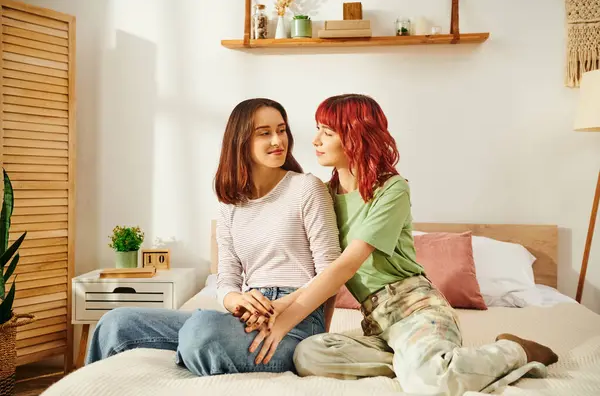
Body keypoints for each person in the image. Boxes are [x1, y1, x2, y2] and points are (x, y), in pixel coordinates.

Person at [242, 94, 559, 396]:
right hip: (376, 324)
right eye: (317, 131)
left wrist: (287, 308)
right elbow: (326, 276)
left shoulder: (391, 190)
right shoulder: (322, 196)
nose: (315, 141)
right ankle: (415, 362)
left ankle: (514, 350)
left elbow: (347, 265)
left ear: (355, 136)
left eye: (326, 132)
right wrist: (306, 319)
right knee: (308, 354)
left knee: (432, 383)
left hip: (416, 310)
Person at [85, 98, 341, 377]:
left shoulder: (306, 188)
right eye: (264, 133)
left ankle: (198, 348)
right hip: (246, 314)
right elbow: (227, 278)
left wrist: (281, 309)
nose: (278, 140)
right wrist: (235, 300)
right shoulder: (231, 204)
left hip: (297, 322)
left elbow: (331, 275)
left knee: (202, 330)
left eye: (281, 130)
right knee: (116, 322)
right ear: (241, 140)